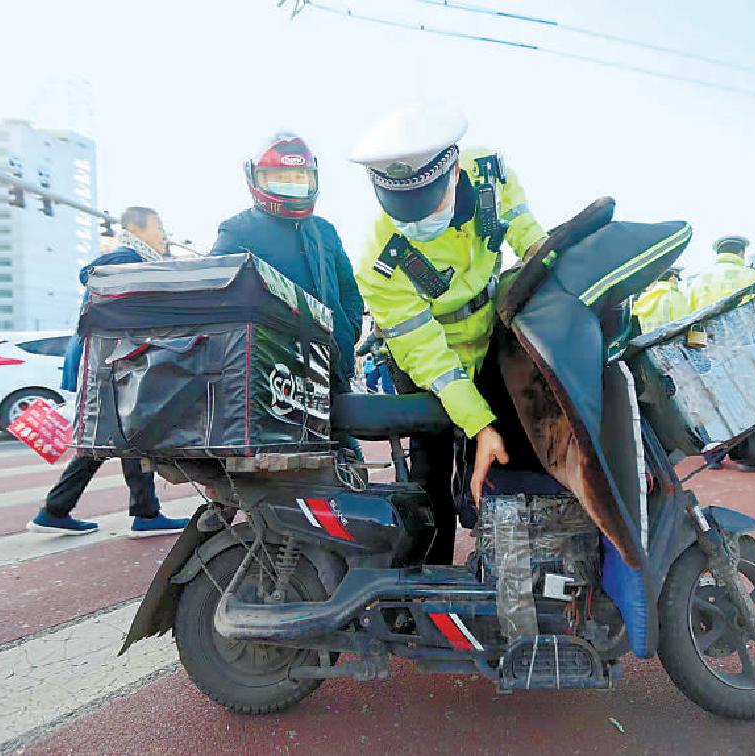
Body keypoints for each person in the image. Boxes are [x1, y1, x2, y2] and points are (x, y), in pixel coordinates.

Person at [350, 104, 547, 565]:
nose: (416, 223)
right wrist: (477, 424)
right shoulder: (380, 262)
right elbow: (432, 361)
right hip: (430, 369)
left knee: (510, 453)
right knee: (431, 469)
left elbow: (530, 239)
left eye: (426, 206)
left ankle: (508, 556)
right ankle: (426, 578)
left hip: (492, 342)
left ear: (454, 171)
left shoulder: (490, 175)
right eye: (402, 213)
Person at [28, 207, 191, 537]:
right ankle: (57, 510)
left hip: (110, 362)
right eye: (158, 226)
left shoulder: (134, 260)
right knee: (112, 436)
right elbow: (97, 279)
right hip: (105, 364)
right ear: (135, 226)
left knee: (128, 434)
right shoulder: (122, 258)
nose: (163, 233)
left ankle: (142, 513)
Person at [210, 133, 363, 387]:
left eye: (299, 177)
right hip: (273, 377)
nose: (291, 184)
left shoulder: (325, 231)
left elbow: (349, 290)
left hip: (334, 371)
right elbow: (213, 300)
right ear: (255, 178)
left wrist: (348, 332)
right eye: (280, 178)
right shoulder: (237, 231)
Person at [690, 235, 755, 472]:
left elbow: (689, 320)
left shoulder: (700, 281)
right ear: (741, 253)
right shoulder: (754, 277)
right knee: (751, 402)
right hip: (745, 351)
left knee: (715, 403)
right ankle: (748, 458)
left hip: (710, 350)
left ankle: (714, 457)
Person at [634, 268, 690, 332]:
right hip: (671, 340)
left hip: (647, 340)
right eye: (677, 280)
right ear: (672, 277)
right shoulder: (674, 296)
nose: (677, 283)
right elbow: (686, 321)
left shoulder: (644, 298)